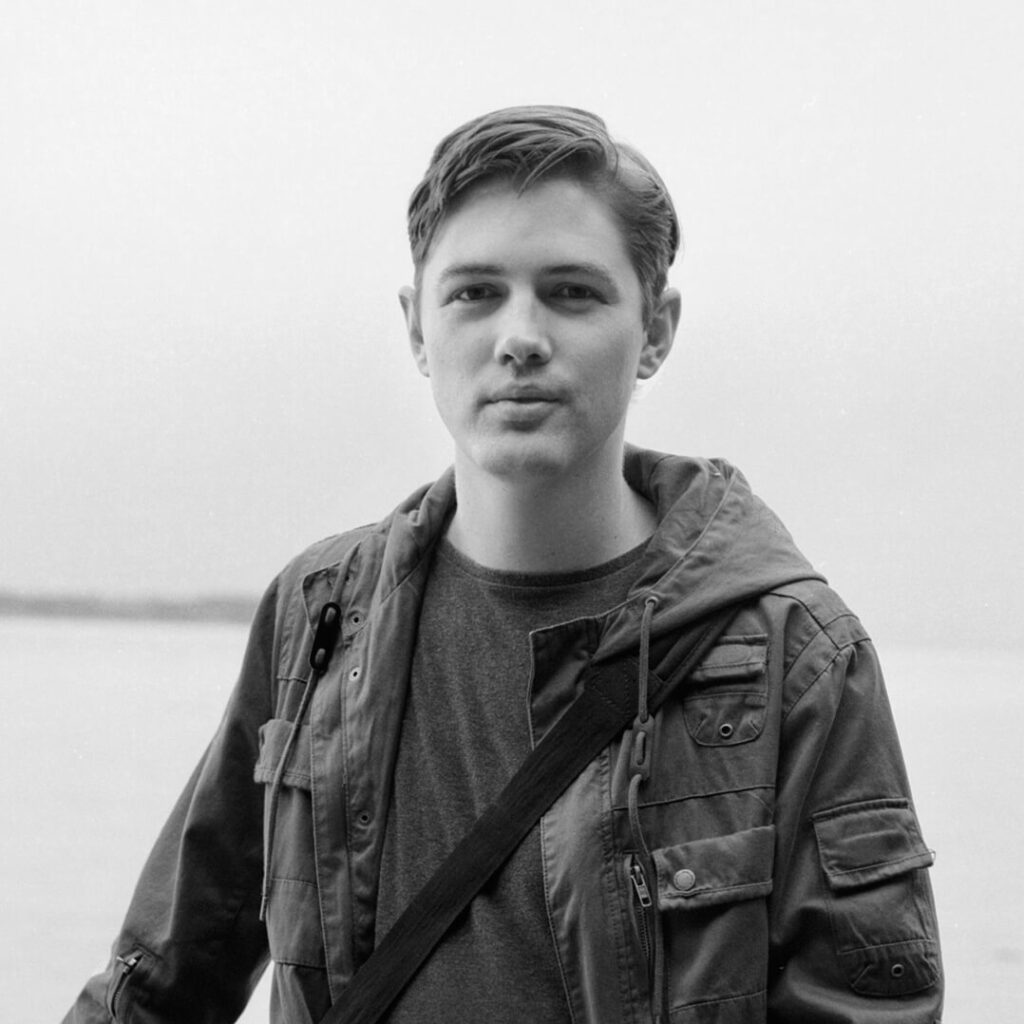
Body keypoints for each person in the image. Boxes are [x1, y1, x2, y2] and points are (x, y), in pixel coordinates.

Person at [65, 105, 943, 1023]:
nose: (520, 336)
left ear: (656, 330)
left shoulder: (795, 653)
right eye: (475, 293)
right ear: (417, 329)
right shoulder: (319, 613)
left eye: (573, 292)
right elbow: (161, 981)